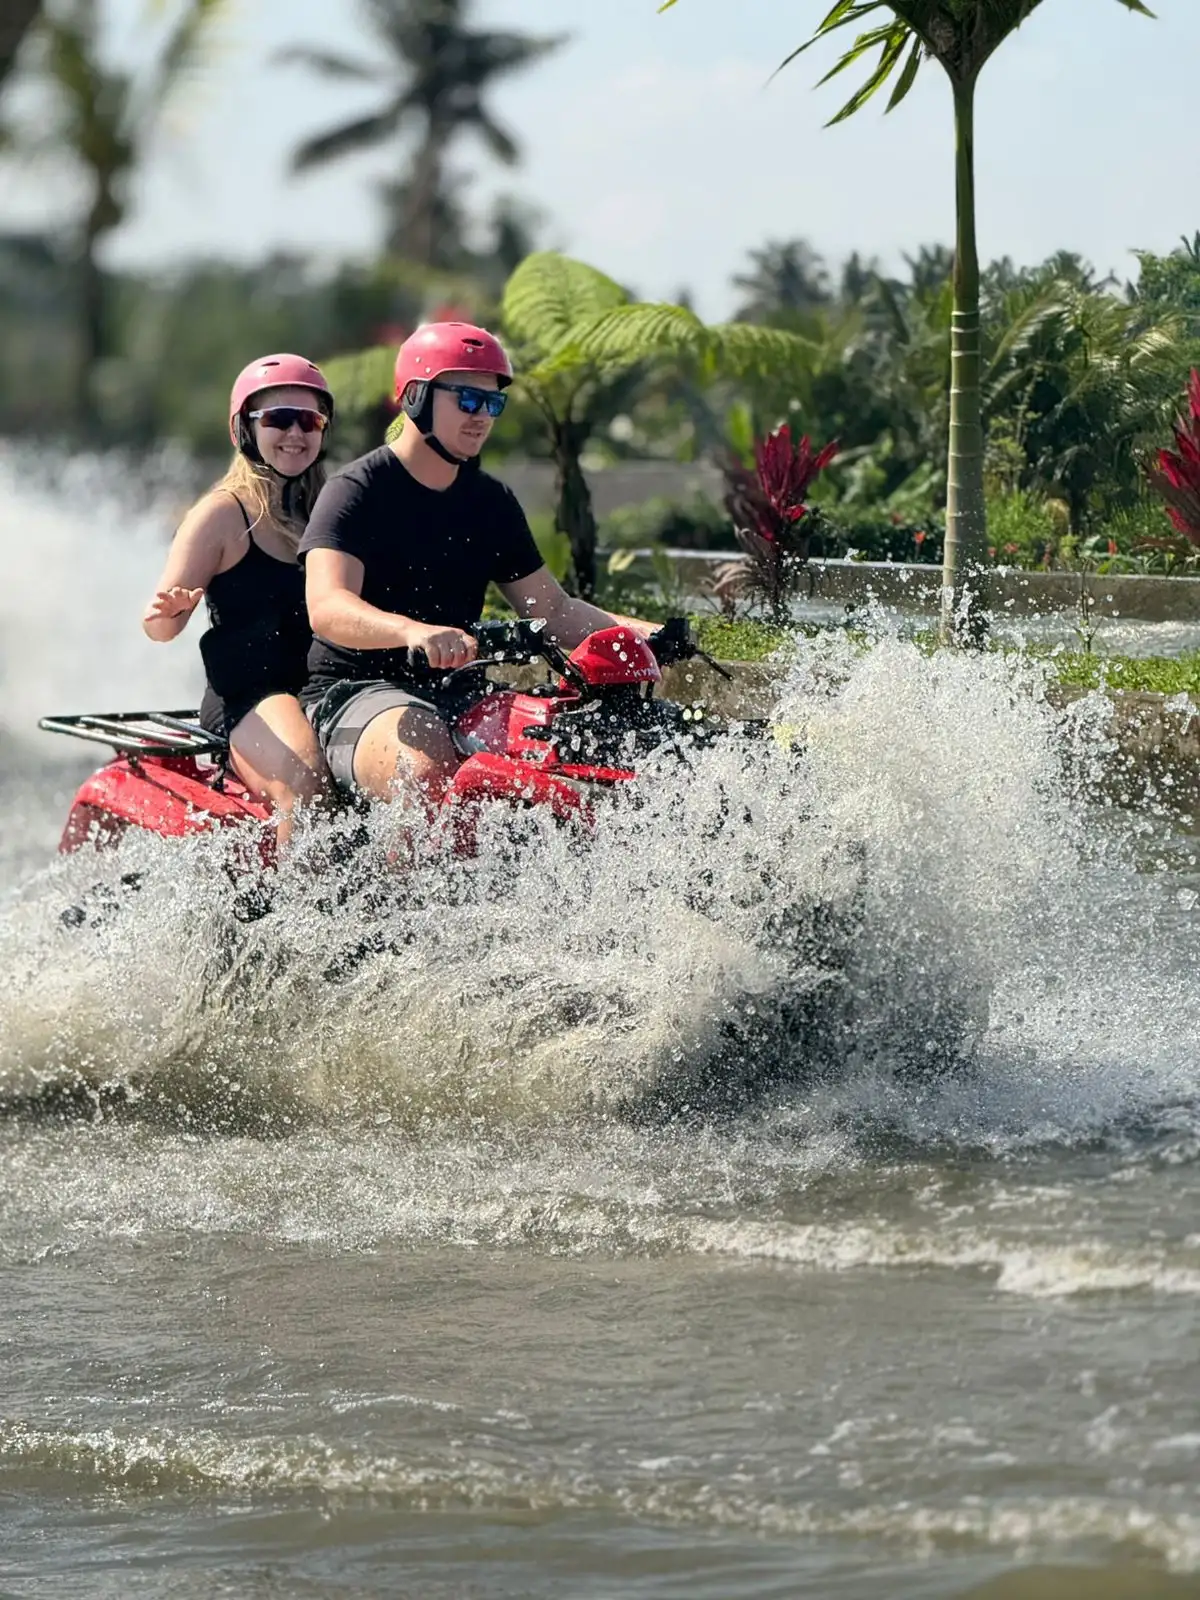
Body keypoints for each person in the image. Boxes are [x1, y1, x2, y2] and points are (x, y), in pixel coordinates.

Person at [300, 321, 653, 805]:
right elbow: (327, 606)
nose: (482, 416)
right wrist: (413, 632)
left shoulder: (491, 503)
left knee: (573, 748)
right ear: (416, 398)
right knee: (425, 773)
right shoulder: (356, 491)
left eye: (493, 403)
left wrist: (646, 635)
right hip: (357, 692)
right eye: (467, 399)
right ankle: (406, 885)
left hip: (462, 690)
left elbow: (552, 609)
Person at [142, 353, 335, 846]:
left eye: (309, 420)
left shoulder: (334, 507)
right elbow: (159, 628)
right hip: (250, 696)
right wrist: (172, 611)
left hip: (329, 686)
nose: (296, 432)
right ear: (244, 429)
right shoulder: (221, 515)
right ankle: (306, 921)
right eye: (278, 419)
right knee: (307, 783)